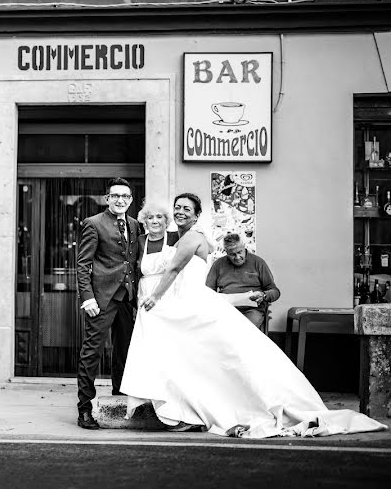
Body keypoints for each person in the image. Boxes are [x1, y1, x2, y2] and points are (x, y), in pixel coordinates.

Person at [121, 193, 386, 438]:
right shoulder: (181, 238)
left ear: (197, 215)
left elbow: (175, 269)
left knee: (223, 357)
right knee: (200, 361)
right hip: (187, 306)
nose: (180, 212)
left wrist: (155, 296)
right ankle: (189, 409)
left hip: (193, 306)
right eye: (177, 207)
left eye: (186, 209)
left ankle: (224, 407)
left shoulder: (192, 237)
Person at [75, 177, 142, 430]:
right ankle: (84, 409)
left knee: (124, 351)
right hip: (100, 299)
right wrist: (87, 298)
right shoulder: (93, 224)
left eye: (125, 196)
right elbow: (83, 265)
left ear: (131, 200)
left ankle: (119, 398)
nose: (120, 200)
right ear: (107, 198)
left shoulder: (135, 225)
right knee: (91, 353)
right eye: (115, 196)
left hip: (127, 297)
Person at [206, 232, 280, 331]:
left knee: (243, 330)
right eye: (232, 254)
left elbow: (275, 291)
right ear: (226, 252)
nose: (237, 257)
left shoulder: (258, 262)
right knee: (217, 329)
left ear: (244, 247)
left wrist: (264, 295)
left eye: (239, 252)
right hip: (226, 309)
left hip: (252, 310)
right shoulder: (218, 264)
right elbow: (208, 291)